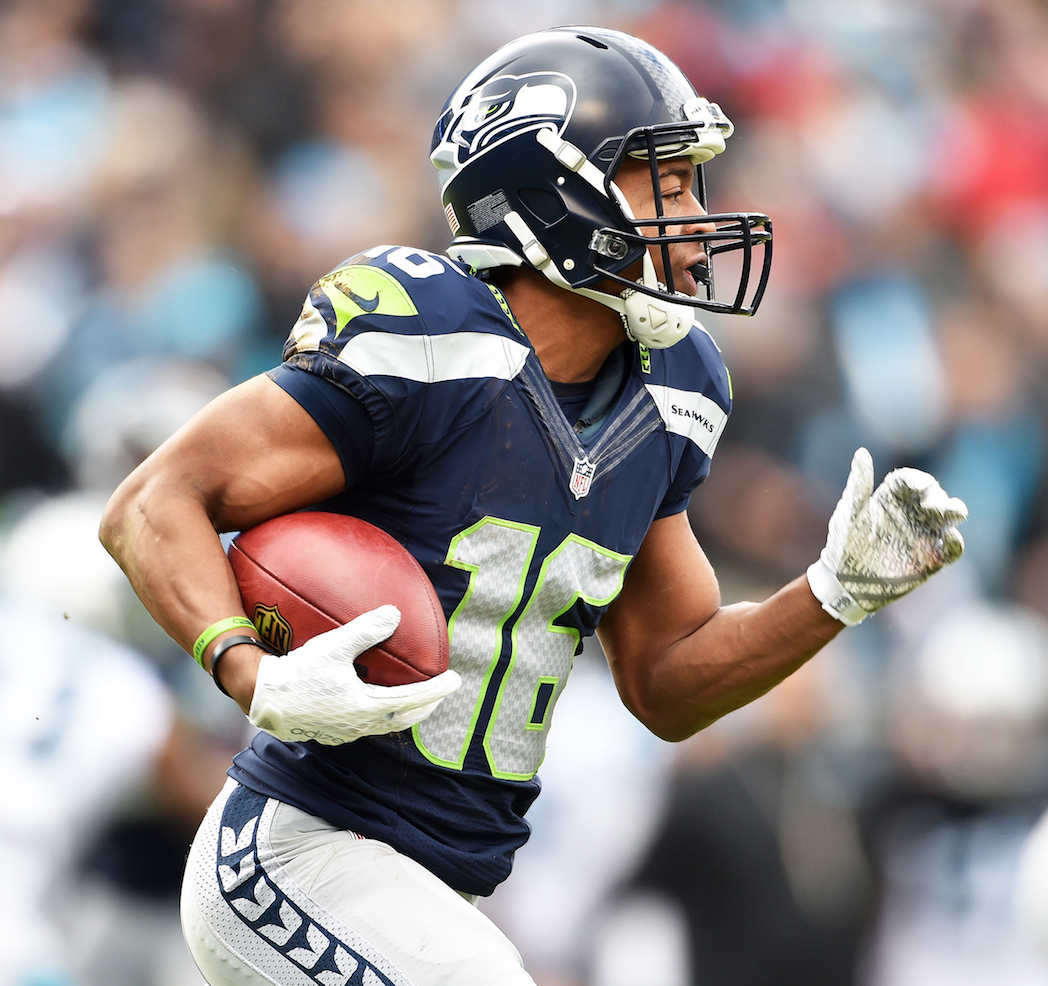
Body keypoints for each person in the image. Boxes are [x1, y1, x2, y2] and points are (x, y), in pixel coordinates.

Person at [99, 26, 968, 986]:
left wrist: (833, 593)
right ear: (553, 191)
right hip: (298, 849)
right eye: (668, 184)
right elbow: (151, 501)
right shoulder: (428, 339)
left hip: (438, 887)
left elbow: (666, 679)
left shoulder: (672, 390)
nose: (696, 219)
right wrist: (250, 673)